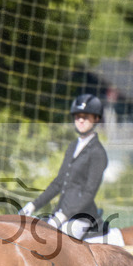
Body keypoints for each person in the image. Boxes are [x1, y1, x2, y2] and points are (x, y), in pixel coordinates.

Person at [20, 94, 108, 240]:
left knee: (56, 246)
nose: (80, 120)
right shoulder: (73, 146)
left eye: (86, 117)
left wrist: (64, 215)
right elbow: (59, 182)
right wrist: (34, 205)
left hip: (81, 217)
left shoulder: (98, 152)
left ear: (96, 119)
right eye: (77, 116)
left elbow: (89, 192)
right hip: (61, 213)